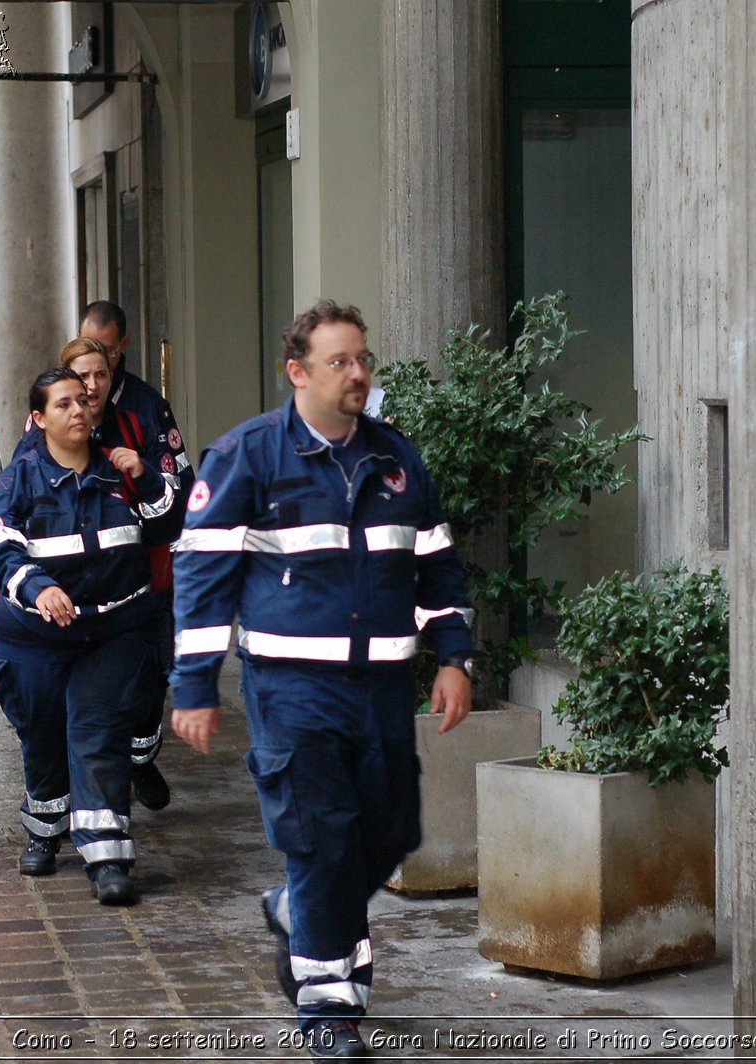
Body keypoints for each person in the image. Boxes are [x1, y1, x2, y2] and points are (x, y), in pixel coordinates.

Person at [169, 300, 474, 1059]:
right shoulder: (248, 455)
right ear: (297, 372)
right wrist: (194, 686)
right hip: (292, 689)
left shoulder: (397, 460)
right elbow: (202, 577)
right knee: (322, 843)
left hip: (381, 688)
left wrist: (456, 658)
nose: (359, 374)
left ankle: (296, 913)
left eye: (363, 359)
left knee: (392, 832)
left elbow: (436, 564)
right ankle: (329, 1009)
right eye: (340, 361)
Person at [0, 365, 178, 905]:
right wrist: (36, 587)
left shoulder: (119, 470)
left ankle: (108, 855)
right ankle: (44, 830)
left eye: (82, 402)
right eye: (62, 404)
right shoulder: (18, 478)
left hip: (114, 631)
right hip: (34, 637)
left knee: (97, 731)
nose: (78, 411)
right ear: (38, 418)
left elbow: (169, 527)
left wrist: (149, 479)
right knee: (44, 736)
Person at [79, 301, 193, 811]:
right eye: (86, 353)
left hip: (145, 566)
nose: (92, 378)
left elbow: (181, 485)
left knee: (149, 679)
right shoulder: (56, 405)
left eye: (104, 357)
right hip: (82, 573)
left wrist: (145, 478)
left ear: (122, 349)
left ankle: (141, 758)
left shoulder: (146, 408)